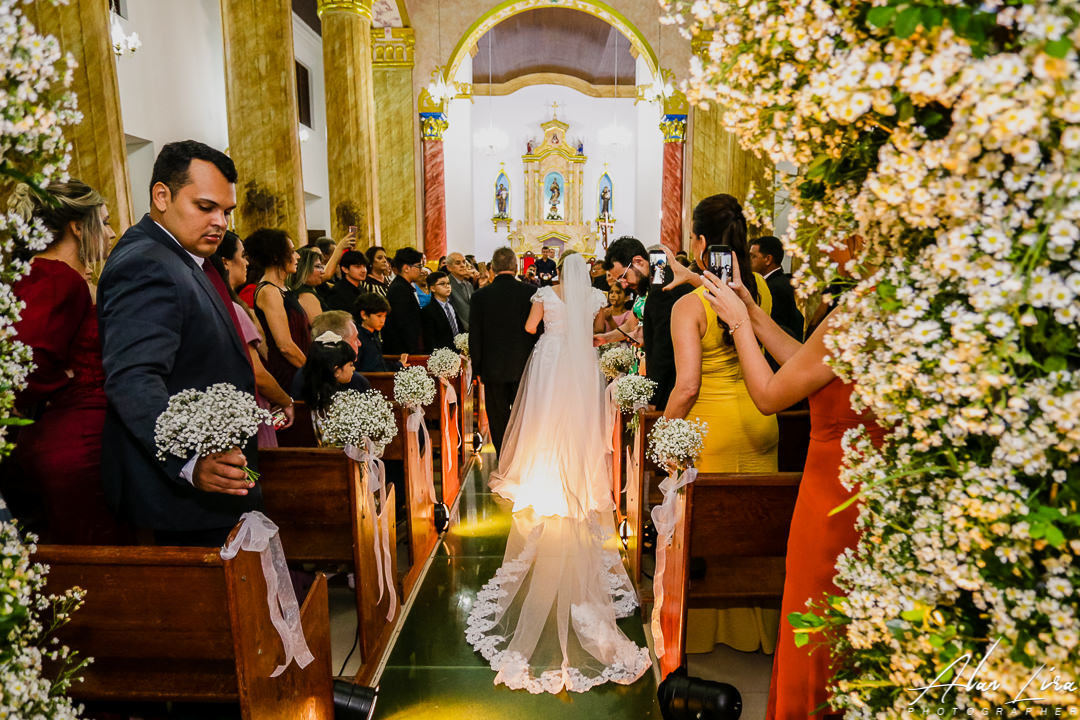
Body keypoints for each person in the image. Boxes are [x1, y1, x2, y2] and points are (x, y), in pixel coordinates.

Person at [697, 233, 887, 720]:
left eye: (840, 235)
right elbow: (804, 363)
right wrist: (750, 308)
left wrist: (738, 325)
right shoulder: (887, 308)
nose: (829, 247)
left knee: (819, 620)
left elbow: (770, 395)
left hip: (832, 496)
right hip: (868, 488)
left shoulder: (859, 312)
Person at [467, 250, 650, 693]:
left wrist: (549, 326)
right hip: (580, 365)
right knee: (578, 418)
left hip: (550, 361)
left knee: (544, 418)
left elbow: (532, 329)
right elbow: (595, 334)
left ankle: (546, 471)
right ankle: (579, 474)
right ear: (584, 271)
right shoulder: (593, 297)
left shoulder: (545, 292)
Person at [97, 140, 259, 546]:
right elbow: (134, 379)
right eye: (206, 207)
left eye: (227, 211)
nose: (221, 222)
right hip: (181, 496)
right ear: (162, 195)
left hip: (209, 487)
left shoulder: (181, 256)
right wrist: (189, 461)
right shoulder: (145, 262)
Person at [665, 194, 780, 655]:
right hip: (760, 414)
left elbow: (687, 386)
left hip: (710, 427)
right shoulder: (759, 292)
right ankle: (760, 632)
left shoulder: (688, 307)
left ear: (699, 242)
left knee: (708, 533)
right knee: (756, 528)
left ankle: (708, 632)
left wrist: (664, 433)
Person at [9, 180, 128, 545]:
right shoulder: (60, 277)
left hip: (69, 436)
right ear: (78, 226)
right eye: (103, 222)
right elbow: (22, 356)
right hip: (76, 445)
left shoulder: (44, 273)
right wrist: (60, 381)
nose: (110, 233)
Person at [211, 232, 295, 449]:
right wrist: (286, 400)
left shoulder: (222, 305)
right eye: (242, 255)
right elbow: (256, 371)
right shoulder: (234, 310)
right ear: (225, 262)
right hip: (249, 404)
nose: (247, 262)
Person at [603, 236, 695, 409]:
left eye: (624, 276)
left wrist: (654, 400)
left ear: (638, 261)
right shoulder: (659, 276)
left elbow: (664, 350)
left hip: (673, 384)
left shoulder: (661, 289)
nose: (623, 285)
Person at [468, 248, 538, 454]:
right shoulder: (530, 293)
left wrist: (477, 369)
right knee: (522, 414)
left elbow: (476, 335)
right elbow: (538, 332)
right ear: (516, 267)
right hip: (523, 366)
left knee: (497, 416)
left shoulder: (480, 296)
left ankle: (503, 456)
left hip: (493, 368)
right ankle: (521, 456)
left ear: (492, 268)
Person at [247, 228, 310, 390]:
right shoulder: (269, 291)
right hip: (290, 373)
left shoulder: (282, 288)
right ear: (276, 256)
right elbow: (285, 346)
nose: (298, 256)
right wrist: (313, 371)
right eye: (292, 251)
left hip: (299, 369)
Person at [750, 234, 803, 350]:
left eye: (753, 256)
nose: (749, 261)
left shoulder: (774, 287)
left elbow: (773, 327)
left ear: (768, 259)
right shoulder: (777, 282)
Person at [295, 335, 362, 414]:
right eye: (351, 365)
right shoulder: (322, 398)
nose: (353, 368)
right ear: (336, 370)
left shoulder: (311, 380)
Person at [382, 247, 425, 355]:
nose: (421, 270)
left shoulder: (404, 286)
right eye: (419, 266)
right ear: (406, 268)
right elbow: (403, 324)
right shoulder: (399, 289)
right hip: (401, 351)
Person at [354, 292, 405, 372]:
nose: (382, 320)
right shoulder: (357, 338)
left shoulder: (374, 335)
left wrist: (399, 365)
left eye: (384, 316)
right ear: (364, 315)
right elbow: (369, 368)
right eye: (379, 316)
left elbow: (380, 365)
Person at [421, 270, 461, 352]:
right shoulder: (428, 311)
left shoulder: (452, 305)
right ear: (432, 288)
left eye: (448, 283)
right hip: (443, 355)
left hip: (459, 350)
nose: (447, 286)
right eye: (442, 284)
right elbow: (430, 340)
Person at [321, 249, 367, 315]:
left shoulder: (361, 288)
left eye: (364, 266)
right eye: (358, 267)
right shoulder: (337, 292)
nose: (364, 270)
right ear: (345, 269)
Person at [287, 246, 325, 322]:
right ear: (304, 269)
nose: (323, 272)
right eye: (318, 266)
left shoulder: (307, 290)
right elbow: (321, 330)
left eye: (322, 267)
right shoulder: (306, 295)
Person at [445, 252, 473, 329]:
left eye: (464, 262)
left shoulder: (469, 284)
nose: (463, 265)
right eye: (458, 263)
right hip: (456, 329)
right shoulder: (446, 284)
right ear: (449, 267)